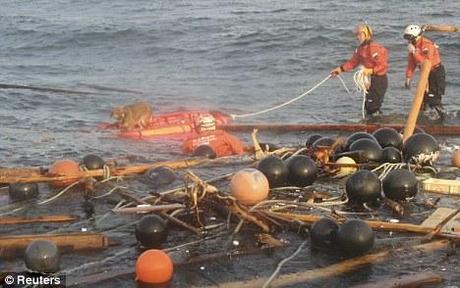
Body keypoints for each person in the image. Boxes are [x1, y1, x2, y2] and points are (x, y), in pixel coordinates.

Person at [331, 24, 389, 117]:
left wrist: (370, 70)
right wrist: (340, 69)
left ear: (366, 34)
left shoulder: (374, 48)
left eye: (359, 34)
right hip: (369, 80)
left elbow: (382, 65)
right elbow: (353, 62)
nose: (357, 37)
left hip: (378, 80)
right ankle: (373, 121)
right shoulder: (360, 49)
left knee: (373, 105)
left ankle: (377, 122)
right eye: (356, 35)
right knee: (369, 105)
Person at [403, 24, 446, 121]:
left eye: (410, 38)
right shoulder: (413, 47)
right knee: (424, 100)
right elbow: (411, 63)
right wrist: (408, 77)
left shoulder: (427, 45)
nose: (409, 41)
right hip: (425, 74)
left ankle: (441, 120)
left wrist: (415, 52)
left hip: (435, 73)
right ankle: (425, 120)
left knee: (434, 98)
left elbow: (426, 63)